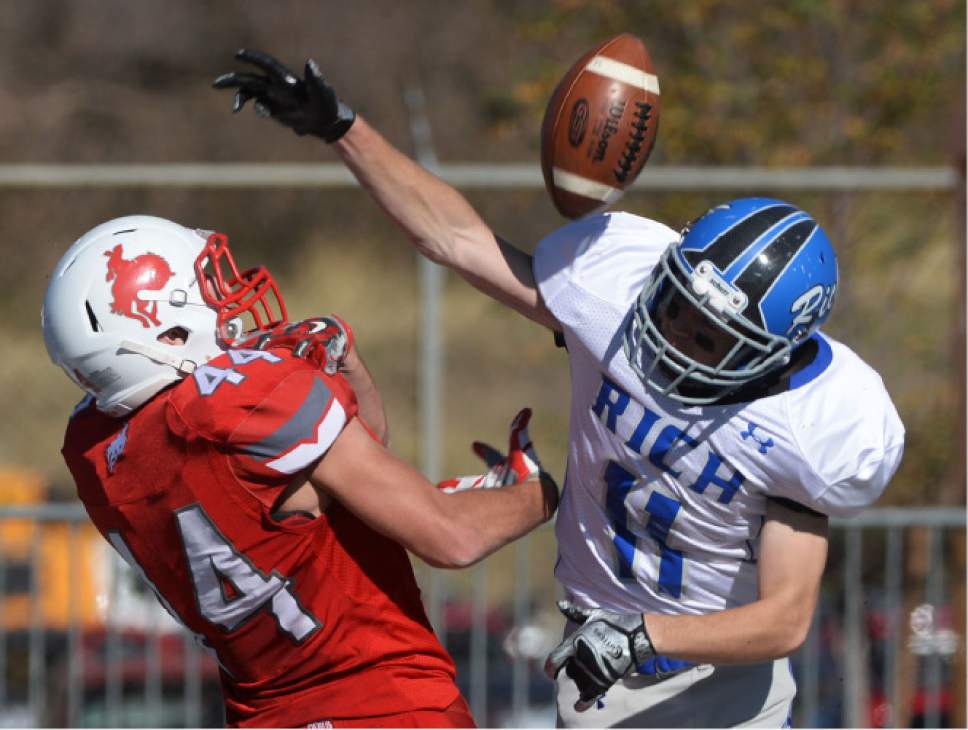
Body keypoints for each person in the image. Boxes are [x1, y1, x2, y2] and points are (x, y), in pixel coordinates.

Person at [213, 50, 905, 727]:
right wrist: (344, 129)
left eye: (708, 336)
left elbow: (784, 619)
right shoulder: (615, 307)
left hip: (720, 688)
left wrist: (644, 634)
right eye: (675, 306)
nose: (675, 336)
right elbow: (457, 238)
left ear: (774, 355)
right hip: (595, 665)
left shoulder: (811, 425)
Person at [41, 214, 558, 728]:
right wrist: (543, 492)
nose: (225, 299)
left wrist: (347, 366)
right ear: (167, 333)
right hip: (388, 708)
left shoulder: (100, 453)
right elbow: (453, 536)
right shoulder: (242, 400)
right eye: (204, 289)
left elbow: (352, 468)